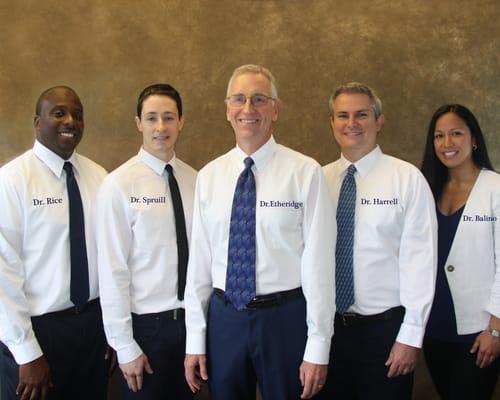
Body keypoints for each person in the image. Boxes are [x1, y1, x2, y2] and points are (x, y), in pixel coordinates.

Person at [184, 64, 335, 400]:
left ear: (275, 109)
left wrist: (318, 346)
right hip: (226, 320)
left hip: (285, 320)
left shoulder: (305, 173)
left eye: (259, 99)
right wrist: (195, 339)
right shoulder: (209, 176)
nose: (248, 109)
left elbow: (319, 267)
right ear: (227, 109)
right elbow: (200, 265)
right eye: (239, 99)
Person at [319, 82, 437, 399]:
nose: (351, 123)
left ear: (379, 121)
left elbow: (421, 262)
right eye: (342, 115)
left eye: (362, 114)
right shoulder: (318, 180)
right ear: (332, 123)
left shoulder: (407, 179)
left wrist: (410, 337)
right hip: (327, 332)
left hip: (385, 334)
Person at [0, 86, 109, 400]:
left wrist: (110, 333)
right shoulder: (12, 181)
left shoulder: (98, 176)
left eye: (78, 114)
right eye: (59, 112)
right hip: (38, 332)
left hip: (91, 329)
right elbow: (4, 274)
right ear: (37, 122)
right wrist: (26, 351)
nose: (70, 121)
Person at [96, 83, 196, 399]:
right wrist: (124, 345)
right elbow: (111, 270)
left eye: (168, 117)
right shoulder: (118, 185)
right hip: (145, 331)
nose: (161, 127)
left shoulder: (196, 181)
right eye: (151, 118)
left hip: (191, 327)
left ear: (181, 121)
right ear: (138, 123)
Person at [420, 104, 500, 399]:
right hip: (434, 327)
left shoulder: (495, 188)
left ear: (474, 139)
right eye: (439, 136)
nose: (447, 143)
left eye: (456, 133)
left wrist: (495, 330)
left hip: (479, 330)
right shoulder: (426, 188)